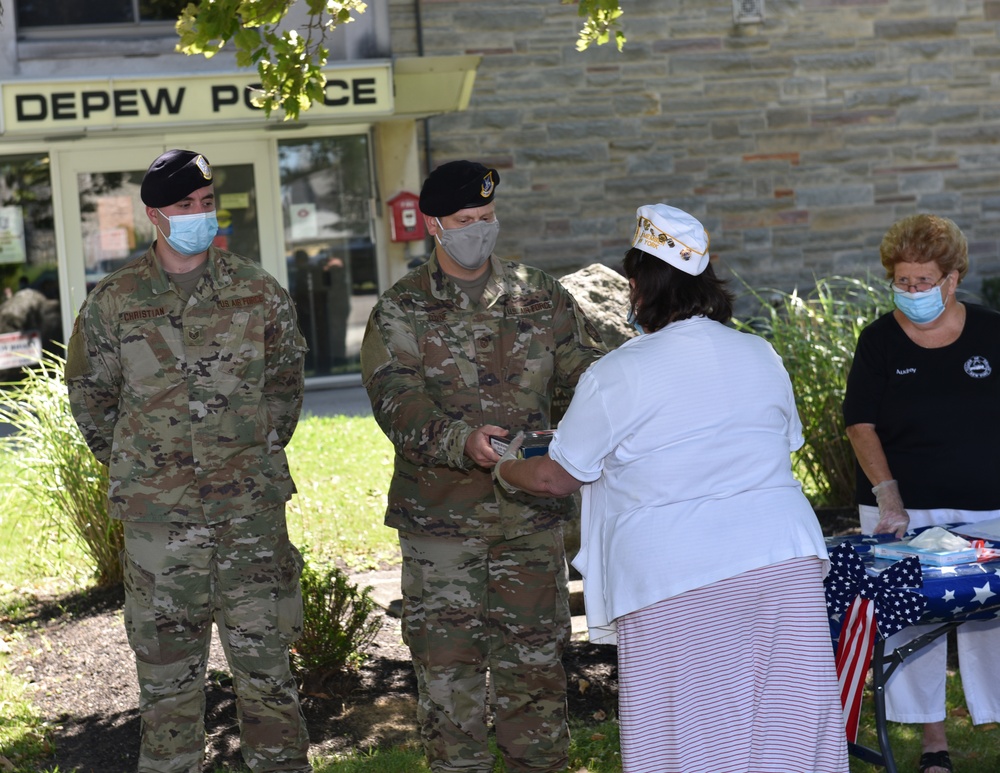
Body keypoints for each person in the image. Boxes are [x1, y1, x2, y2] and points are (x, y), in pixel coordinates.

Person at [496, 204, 849, 773]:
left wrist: (503, 463)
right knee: (788, 726)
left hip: (679, 574)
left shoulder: (618, 372)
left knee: (689, 736)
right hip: (784, 562)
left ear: (639, 286)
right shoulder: (760, 354)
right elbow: (779, 443)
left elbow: (552, 476)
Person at [65, 149, 312, 773]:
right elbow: (90, 397)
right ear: (155, 216)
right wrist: (141, 466)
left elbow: (285, 385)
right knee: (167, 688)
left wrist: (251, 451)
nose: (199, 216)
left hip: (249, 514)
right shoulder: (115, 300)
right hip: (159, 524)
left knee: (269, 677)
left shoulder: (255, 289)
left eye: (206, 204)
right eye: (184, 207)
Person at [360, 160, 605, 773]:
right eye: (465, 221)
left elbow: (586, 380)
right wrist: (458, 439)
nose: (479, 230)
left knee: (537, 679)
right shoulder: (402, 308)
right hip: (441, 526)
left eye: (488, 218)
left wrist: (573, 430)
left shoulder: (539, 293)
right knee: (449, 688)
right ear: (435, 226)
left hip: (529, 521)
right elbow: (396, 400)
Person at [843, 213, 1000, 773]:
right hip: (903, 511)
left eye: (922, 282)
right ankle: (934, 744)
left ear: (952, 279)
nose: (911, 292)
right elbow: (860, 424)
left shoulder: (992, 331)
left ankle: (994, 720)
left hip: (988, 508)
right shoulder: (879, 342)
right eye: (902, 282)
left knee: (994, 625)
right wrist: (888, 496)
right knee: (913, 623)